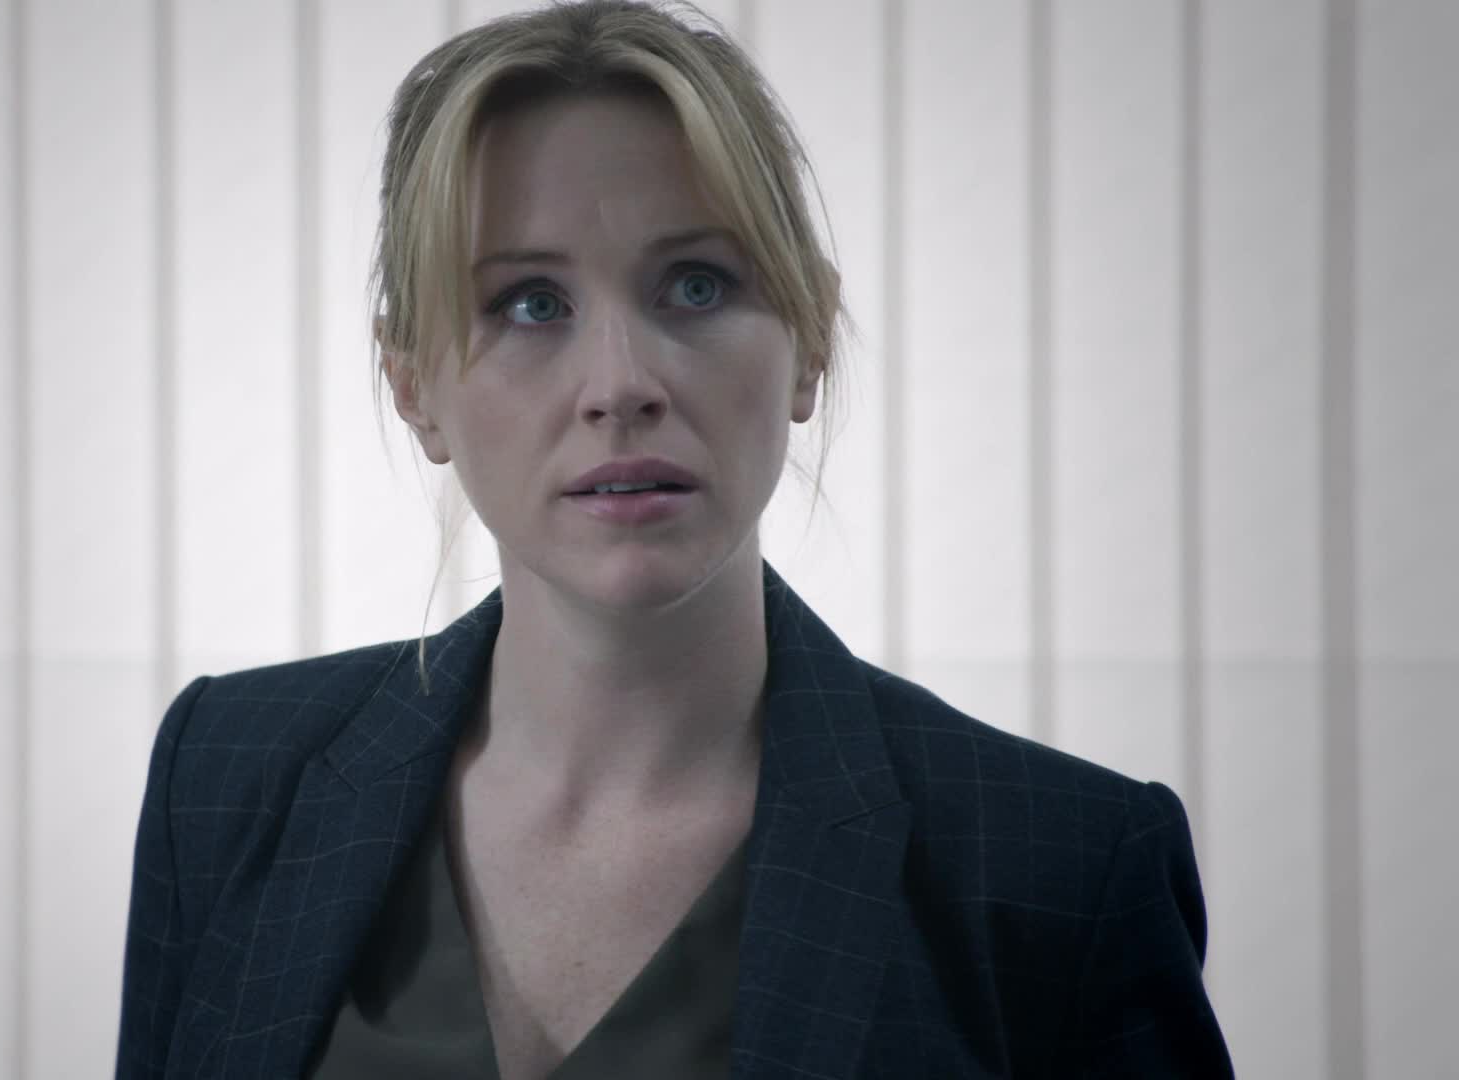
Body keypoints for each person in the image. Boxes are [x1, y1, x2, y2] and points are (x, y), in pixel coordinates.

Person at [114, 2, 1234, 1077]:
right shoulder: (225, 777)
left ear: (807, 342)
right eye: (529, 303)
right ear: (413, 388)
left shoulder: (1063, 870)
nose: (621, 384)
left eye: (695, 286)